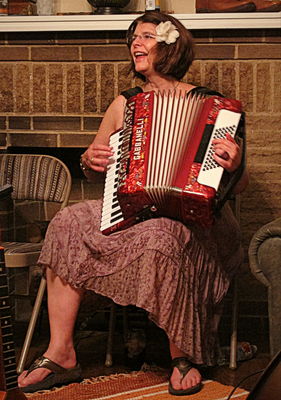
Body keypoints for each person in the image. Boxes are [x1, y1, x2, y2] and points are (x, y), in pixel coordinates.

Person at [18, 11, 249, 396]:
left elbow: (236, 188)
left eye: (145, 36)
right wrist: (88, 160)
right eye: (132, 39)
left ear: (170, 44)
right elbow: (97, 169)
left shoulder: (213, 108)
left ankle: (182, 355)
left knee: (163, 234)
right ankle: (62, 353)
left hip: (199, 221)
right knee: (68, 221)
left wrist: (235, 164)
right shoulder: (123, 104)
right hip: (134, 213)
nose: (134, 44)